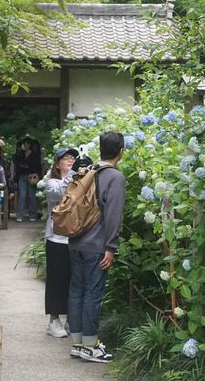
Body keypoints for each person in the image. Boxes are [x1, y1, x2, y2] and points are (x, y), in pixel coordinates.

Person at [68, 131, 126, 363]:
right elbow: (113, 215)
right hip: (96, 245)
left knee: (76, 291)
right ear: (120, 152)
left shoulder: (87, 171)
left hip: (75, 240)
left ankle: (78, 343)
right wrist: (110, 247)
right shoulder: (114, 177)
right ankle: (90, 346)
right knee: (93, 294)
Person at [45, 148, 78, 338]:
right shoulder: (52, 183)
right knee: (56, 280)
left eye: (73, 158)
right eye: (66, 158)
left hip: (75, 237)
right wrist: (73, 174)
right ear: (57, 164)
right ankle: (54, 320)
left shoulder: (78, 180)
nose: (70, 161)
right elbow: (59, 195)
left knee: (73, 280)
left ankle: (71, 320)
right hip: (56, 238)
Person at [15, 137, 42, 222]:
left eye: (26, 143)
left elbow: (37, 165)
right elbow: (17, 165)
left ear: (29, 144)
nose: (24, 145)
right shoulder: (20, 153)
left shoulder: (35, 154)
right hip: (22, 175)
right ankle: (20, 215)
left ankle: (33, 214)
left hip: (32, 176)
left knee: (32, 195)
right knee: (22, 195)